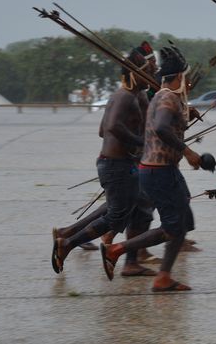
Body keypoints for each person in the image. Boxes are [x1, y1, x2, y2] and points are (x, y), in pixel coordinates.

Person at [99, 46, 208, 292]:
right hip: (159, 171)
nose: (188, 80)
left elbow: (167, 124)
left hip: (161, 169)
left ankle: (163, 277)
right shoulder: (167, 96)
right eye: (186, 76)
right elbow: (160, 128)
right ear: (180, 76)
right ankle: (117, 250)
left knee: (178, 227)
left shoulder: (161, 96)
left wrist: (186, 117)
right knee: (173, 227)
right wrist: (188, 152)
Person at [51, 46, 154, 276]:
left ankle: (128, 260)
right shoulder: (125, 96)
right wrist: (139, 141)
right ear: (135, 73)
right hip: (115, 166)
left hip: (121, 163)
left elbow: (102, 131)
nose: (151, 77)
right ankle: (67, 242)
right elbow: (111, 127)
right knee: (116, 215)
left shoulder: (130, 96)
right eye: (147, 72)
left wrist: (134, 145)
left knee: (137, 210)